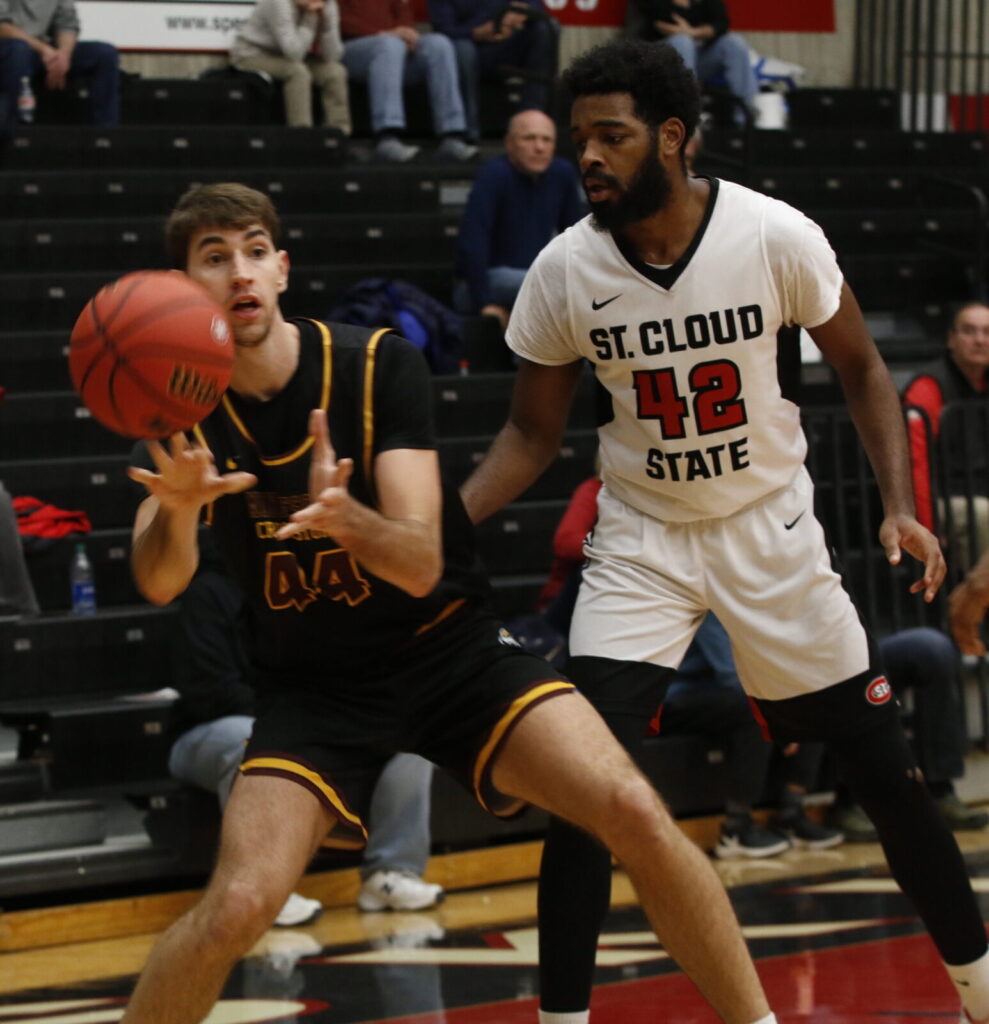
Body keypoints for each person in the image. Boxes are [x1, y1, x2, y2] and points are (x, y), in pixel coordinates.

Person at [119, 180, 780, 1024]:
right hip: (313, 692)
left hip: (449, 654)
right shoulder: (179, 404)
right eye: (213, 258)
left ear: (282, 269)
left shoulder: (373, 363)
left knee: (633, 810)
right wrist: (176, 513)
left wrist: (349, 521)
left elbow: (422, 558)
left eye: (253, 250)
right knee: (240, 902)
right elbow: (159, 579)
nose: (238, 271)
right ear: (184, 289)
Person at [459, 38, 989, 1024]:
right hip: (642, 542)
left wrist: (896, 504)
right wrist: (438, 529)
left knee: (883, 771)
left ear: (672, 136)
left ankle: (978, 992)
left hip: (766, 528)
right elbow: (530, 435)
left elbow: (864, 370)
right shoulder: (563, 269)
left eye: (611, 136)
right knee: (586, 786)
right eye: (581, 138)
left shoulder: (772, 234)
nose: (590, 157)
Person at [167, 555, 443, 921]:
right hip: (207, 732)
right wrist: (300, 718)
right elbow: (210, 690)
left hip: (299, 724)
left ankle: (391, 872)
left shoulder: (309, 595)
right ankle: (265, 889)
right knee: (252, 744)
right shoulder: (207, 592)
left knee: (408, 736)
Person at [835, 626, 989, 841]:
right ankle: (852, 801)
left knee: (932, 648)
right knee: (835, 675)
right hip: (814, 658)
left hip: (861, 642)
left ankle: (938, 791)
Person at [453, 108, 583, 330]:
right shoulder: (493, 175)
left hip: (538, 282)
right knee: (549, 285)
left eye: (547, 140)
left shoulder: (563, 174)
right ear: (509, 143)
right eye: (529, 138)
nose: (539, 147)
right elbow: (473, 243)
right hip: (481, 284)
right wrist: (485, 302)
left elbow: (578, 237)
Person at [903, 302, 989, 575]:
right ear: (951, 338)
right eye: (969, 331)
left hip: (981, 490)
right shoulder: (927, 387)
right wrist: (929, 530)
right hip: (946, 499)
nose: (979, 340)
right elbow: (915, 466)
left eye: (987, 332)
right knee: (982, 514)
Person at [337, 0, 477, 163]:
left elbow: (404, 12)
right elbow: (340, 21)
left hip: (391, 45)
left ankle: (452, 135)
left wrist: (407, 32)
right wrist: (384, 33)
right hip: (348, 48)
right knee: (389, 45)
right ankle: (387, 137)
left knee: (439, 44)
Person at [428, 0, 559, 143]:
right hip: (471, 49)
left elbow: (537, 8)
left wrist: (519, 12)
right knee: (463, 49)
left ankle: (532, 116)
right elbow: (442, 29)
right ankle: (469, 129)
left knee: (545, 27)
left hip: (508, 45)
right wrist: (475, 33)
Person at [229, 0, 351, 134]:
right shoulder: (279, 3)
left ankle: (339, 134)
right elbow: (294, 53)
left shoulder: (327, 4)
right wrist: (310, 18)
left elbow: (333, 56)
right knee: (297, 72)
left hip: (291, 56)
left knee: (335, 72)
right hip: (252, 54)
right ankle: (302, 134)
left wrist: (326, 26)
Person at [0, 0, 119, 136]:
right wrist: (44, 50)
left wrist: (63, 55)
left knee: (105, 54)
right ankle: (11, 129)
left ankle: (105, 133)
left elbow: (67, 23)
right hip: (10, 48)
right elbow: (2, 27)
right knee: (19, 50)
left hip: (42, 50)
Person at [634, 0, 756, 126]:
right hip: (660, 61)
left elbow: (721, 24)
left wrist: (693, 32)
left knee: (733, 42)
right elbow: (659, 21)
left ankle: (746, 118)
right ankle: (687, 118)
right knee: (683, 42)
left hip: (700, 61)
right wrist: (696, 32)